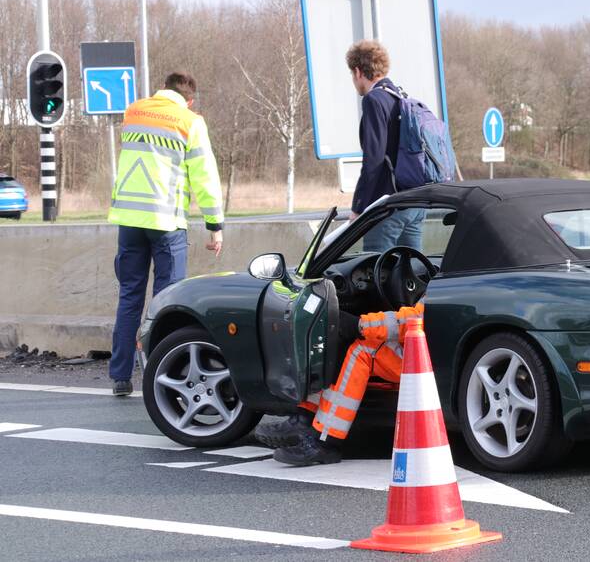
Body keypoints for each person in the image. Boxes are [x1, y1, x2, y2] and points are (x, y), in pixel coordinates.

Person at [107, 72, 224, 396]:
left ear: (163, 90)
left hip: (129, 220)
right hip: (165, 221)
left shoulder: (134, 112)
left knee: (129, 297)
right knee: (167, 303)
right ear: (189, 99)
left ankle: (120, 377)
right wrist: (214, 225)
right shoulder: (190, 121)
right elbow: (205, 177)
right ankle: (159, 375)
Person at [255, 303, 425, 465]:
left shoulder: (445, 276)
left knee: (361, 350)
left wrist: (360, 324)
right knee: (339, 339)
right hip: (428, 350)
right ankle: (304, 420)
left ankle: (326, 442)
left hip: (425, 358)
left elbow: (416, 319)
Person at [345, 40, 425, 252]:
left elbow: (374, 159)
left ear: (358, 71)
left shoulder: (374, 100)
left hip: (389, 207)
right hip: (415, 203)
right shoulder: (400, 97)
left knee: (376, 273)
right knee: (413, 274)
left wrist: (358, 208)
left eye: (352, 76)